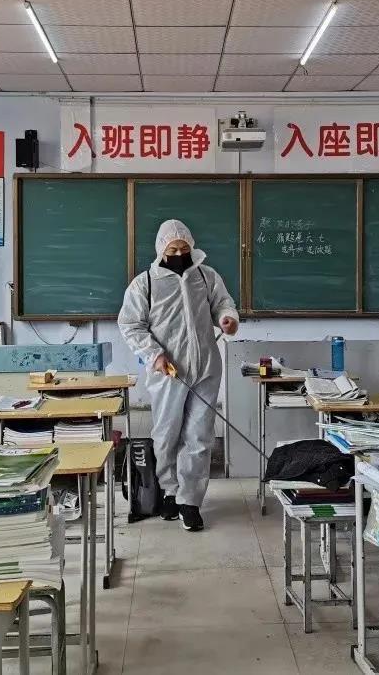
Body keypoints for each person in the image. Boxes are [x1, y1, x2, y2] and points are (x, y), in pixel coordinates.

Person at [118, 219, 238, 531]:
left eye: (184, 248)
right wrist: (154, 354)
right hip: (168, 370)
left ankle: (190, 501)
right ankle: (169, 490)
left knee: (199, 435)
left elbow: (223, 304)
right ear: (161, 249)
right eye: (172, 250)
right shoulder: (145, 283)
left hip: (206, 367)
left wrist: (227, 318)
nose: (179, 254)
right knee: (167, 432)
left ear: (191, 246)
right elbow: (130, 324)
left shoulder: (206, 276)